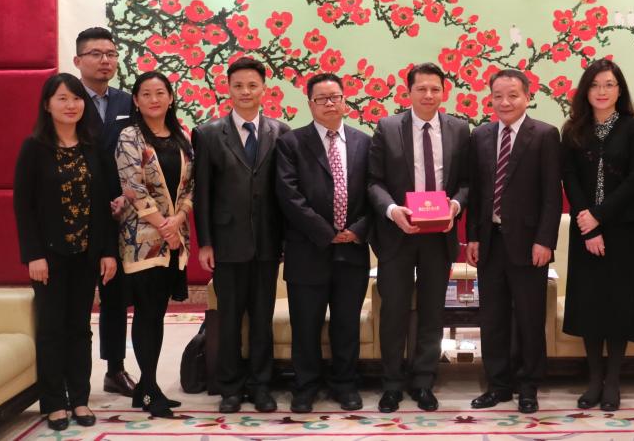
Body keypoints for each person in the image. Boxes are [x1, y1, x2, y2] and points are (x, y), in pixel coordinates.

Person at [13, 73, 118, 431]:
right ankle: (54, 401)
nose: (71, 105)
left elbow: (104, 205)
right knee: (52, 327)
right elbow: (23, 207)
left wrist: (107, 251)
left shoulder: (93, 146)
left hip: (86, 254)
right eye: (62, 98)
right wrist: (33, 254)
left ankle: (80, 398)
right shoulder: (34, 148)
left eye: (76, 98)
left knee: (80, 328)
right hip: (49, 256)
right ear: (47, 105)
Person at [367, 62, 470, 413]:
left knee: (432, 311)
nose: (428, 95)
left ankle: (424, 381)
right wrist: (392, 210)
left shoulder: (459, 129)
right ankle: (392, 384)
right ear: (408, 91)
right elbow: (374, 181)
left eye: (435, 89)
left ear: (444, 92)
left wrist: (456, 205)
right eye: (421, 89)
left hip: (439, 236)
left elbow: (467, 182)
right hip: (397, 233)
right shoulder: (387, 127)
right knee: (394, 310)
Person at [192, 57, 290, 414]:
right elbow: (202, 193)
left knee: (262, 319)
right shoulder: (208, 133)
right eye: (238, 86)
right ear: (228, 89)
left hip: (267, 241)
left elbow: (286, 192)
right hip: (227, 242)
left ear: (264, 89)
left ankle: (261, 385)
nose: (245, 91)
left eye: (252, 85)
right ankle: (230, 387)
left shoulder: (281, 131)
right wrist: (205, 242)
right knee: (230, 319)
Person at [466, 69, 563, 415]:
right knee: (492, 318)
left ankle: (528, 386)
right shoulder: (480, 135)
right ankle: (498, 385)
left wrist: (545, 240)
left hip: (529, 243)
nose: (504, 102)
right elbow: (476, 191)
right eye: (498, 96)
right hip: (490, 241)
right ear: (490, 98)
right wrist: (472, 236)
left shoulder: (545, 135)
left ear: (527, 97)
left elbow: (552, 194)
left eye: (512, 95)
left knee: (528, 317)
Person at [275, 73, 372, 414]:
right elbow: (289, 195)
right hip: (307, 249)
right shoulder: (291, 143)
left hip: (352, 249)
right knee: (306, 325)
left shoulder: (364, 142)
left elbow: (375, 191)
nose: (330, 103)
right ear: (310, 104)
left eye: (335, 97)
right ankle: (305, 386)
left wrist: (358, 229)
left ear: (345, 100)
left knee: (347, 323)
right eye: (322, 98)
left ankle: (345, 384)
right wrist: (325, 232)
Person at [560, 59, 634, 411]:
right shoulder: (573, 129)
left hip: (623, 230)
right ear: (585, 90)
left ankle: (613, 380)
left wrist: (599, 216)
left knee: (618, 305)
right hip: (585, 230)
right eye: (595, 84)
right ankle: (594, 379)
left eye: (609, 84)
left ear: (619, 90)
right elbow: (569, 178)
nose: (602, 91)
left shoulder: (633, 128)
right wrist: (588, 223)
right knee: (590, 305)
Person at [115, 71, 194, 418]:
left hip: (174, 239)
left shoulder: (182, 136)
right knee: (146, 314)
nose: (153, 99)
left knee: (157, 314)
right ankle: (149, 390)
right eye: (145, 94)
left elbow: (191, 185)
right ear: (136, 100)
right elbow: (132, 188)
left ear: (171, 97)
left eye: (160, 92)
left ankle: (147, 388)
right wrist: (164, 225)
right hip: (142, 240)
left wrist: (178, 221)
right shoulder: (129, 136)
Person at [72, 26, 136, 397]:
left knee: (115, 296)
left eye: (111, 54)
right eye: (96, 54)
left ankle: (115, 369)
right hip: (78, 212)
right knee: (77, 298)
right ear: (78, 60)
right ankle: (72, 375)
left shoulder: (127, 102)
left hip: (120, 211)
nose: (105, 60)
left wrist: (127, 196)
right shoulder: (66, 99)